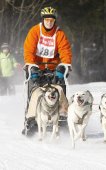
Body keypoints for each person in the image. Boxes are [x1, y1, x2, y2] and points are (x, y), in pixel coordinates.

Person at [22, 6, 72, 135]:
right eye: (47, 20)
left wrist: (63, 65)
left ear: (54, 21)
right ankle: (31, 118)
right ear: (43, 20)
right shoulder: (34, 31)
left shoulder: (59, 33)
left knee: (59, 89)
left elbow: (65, 51)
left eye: (51, 20)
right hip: (37, 67)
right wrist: (31, 66)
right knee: (35, 92)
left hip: (54, 68)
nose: (49, 22)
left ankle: (62, 115)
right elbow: (29, 50)